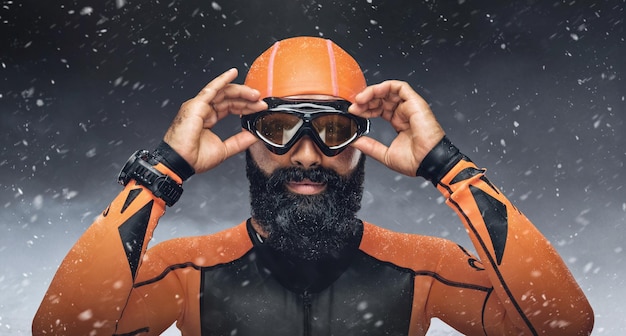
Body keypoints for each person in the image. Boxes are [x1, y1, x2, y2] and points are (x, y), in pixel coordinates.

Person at [32, 36, 593, 335]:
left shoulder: (423, 271)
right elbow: (60, 330)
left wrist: (449, 168)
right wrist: (163, 169)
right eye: (277, 131)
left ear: (362, 137)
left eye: (333, 131)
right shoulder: (188, 274)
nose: (306, 155)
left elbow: (564, 324)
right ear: (245, 140)